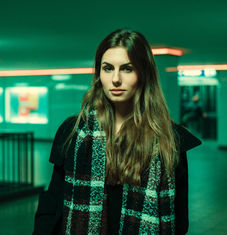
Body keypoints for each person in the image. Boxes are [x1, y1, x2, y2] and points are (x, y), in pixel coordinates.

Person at [33, 29, 201, 234]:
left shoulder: (169, 139)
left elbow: (178, 221)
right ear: (99, 74)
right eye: (108, 68)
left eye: (127, 69)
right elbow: (52, 206)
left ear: (143, 73)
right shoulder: (74, 132)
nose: (115, 79)